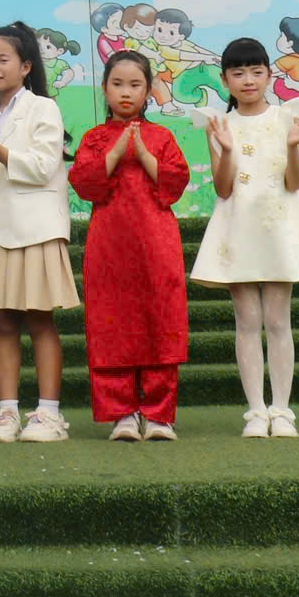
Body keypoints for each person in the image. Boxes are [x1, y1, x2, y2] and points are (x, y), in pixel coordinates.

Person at [192, 37, 299, 439]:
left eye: (256, 72)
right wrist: (226, 151)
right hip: (237, 226)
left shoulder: (287, 118)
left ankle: (282, 410)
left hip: (278, 228)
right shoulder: (220, 125)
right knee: (247, 321)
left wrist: (293, 147)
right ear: (225, 80)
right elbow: (223, 189)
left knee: (276, 320)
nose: (248, 80)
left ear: (269, 75)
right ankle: (256, 411)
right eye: (238, 73)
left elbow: (294, 182)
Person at [0, 21, 77, 445]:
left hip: (35, 229)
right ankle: (6, 411)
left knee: (40, 320)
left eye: (3, 60)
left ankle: (48, 413)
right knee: (3, 322)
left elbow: (44, 167)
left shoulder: (43, 109)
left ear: (26, 66)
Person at [71, 49, 191, 441]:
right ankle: (122, 413)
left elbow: (175, 182)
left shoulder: (161, 137)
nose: (126, 92)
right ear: (105, 89)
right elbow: (85, 183)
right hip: (109, 245)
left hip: (156, 243)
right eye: (117, 84)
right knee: (112, 321)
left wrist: (141, 152)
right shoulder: (94, 138)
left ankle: (159, 415)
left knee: (161, 320)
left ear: (148, 90)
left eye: (135, 84)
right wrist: (117, 149)